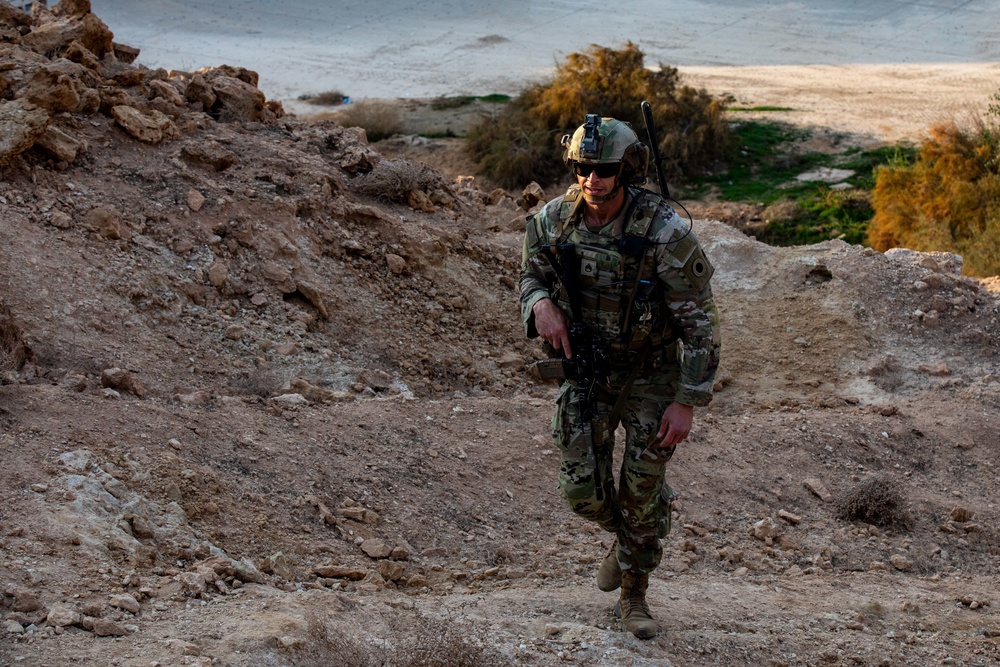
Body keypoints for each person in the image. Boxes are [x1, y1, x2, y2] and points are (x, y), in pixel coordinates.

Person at [518, 115, 721, 639]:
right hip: (589, 370)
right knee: (581, 494)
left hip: (653, 374)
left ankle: (634, 596)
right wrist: (539, 303)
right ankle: (645, 517)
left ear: (627, 168)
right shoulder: (553, 221)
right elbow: (529, 274)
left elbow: (700, 322)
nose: (594, 179)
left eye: (605, 168)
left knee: (637, 487)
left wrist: (688, 400)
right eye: (585, 167)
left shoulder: (663, 232)